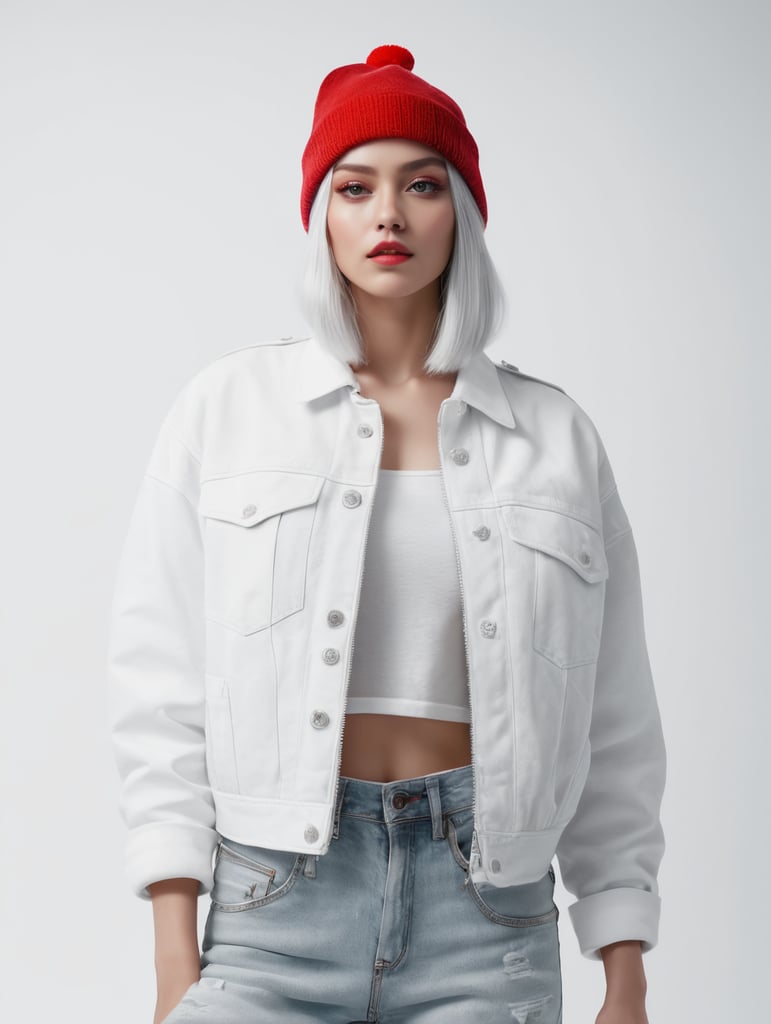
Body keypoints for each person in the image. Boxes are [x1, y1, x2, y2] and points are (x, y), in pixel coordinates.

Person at [108, 44, 666, 1024]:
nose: (389, 216)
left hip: (486, 924)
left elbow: (614, 725)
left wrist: (625, 970)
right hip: (272, 912)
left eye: (423, 184)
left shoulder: (555, 438)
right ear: (322, 215)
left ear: (466, 214)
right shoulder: (226, 412)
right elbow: (162, 692)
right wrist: (172, 959)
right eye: (355, 186)